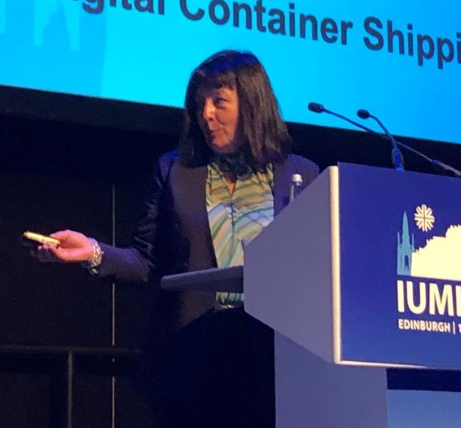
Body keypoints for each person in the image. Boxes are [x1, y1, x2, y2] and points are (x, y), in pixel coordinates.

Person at [33, 49, 319, 427]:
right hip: (193, 361)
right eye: (199, 105)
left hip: (274, 362)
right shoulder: (175, 170)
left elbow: (317, 271)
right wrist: (94, 252)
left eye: (219, 102)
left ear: (252, 104)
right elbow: (146, 261)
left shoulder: (301, 175)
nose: (206, 115)